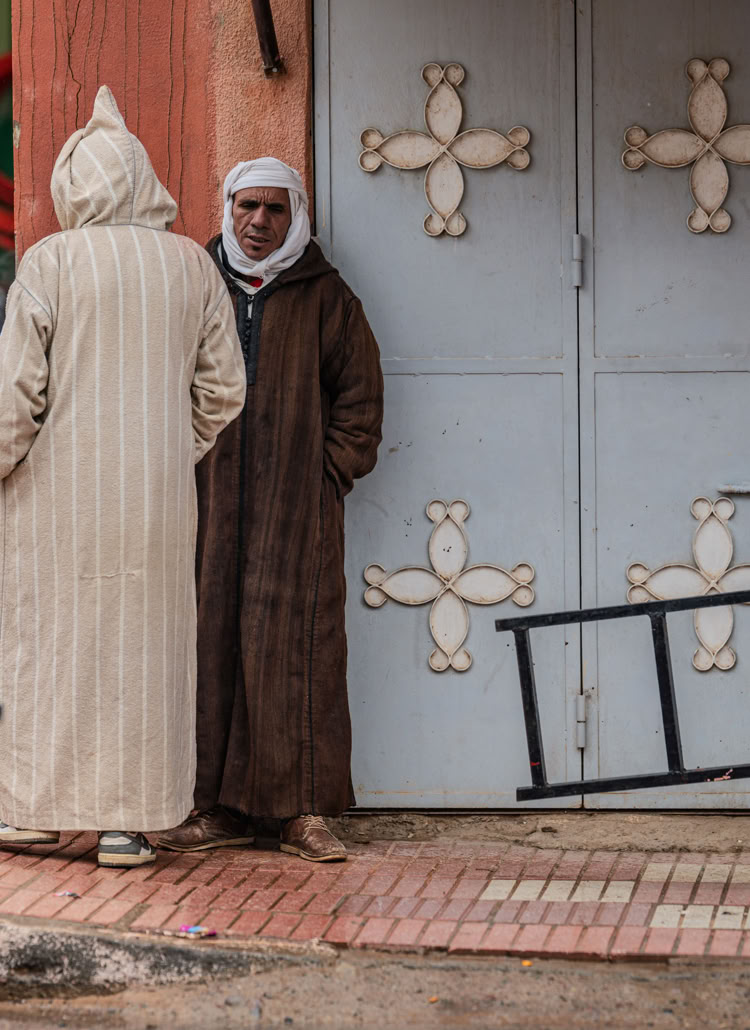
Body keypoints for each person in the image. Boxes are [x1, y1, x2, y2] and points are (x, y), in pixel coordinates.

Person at [0, 86, 246, 867]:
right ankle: (127, 828)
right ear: (141, 180)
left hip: (52, 502)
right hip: (155, 504)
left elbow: (15, 397)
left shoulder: (50, 262)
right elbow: (224, 391)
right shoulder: (191, 266)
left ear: (75, 184)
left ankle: (35, 813)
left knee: (50, 649)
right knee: (144, 653)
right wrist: (169, 450)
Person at [158, 158, 383, 862]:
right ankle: (213, 809)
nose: (258, 221)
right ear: (228, 208)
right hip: (205, 504)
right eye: (247, 206)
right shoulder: (194, 284)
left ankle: (301, 813)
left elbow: (360, 402)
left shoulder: (327, 297)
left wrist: (324, 478)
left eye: (275, 209)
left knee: (298, 651)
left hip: (297, 511)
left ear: (296, 217)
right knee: (207, 644)